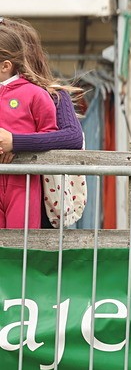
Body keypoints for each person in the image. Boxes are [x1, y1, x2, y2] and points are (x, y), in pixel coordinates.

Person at [0, 19, 86, 227]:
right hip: (13, 186)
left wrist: (16, 142)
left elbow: (72, 137)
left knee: (33, 253)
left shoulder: (53, 94)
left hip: (45, 198)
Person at [0, 17, 60, 229]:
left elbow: (50, 134)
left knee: (21, 243)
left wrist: (17, 143)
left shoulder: (36, 94)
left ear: (6, 66)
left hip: (24, 181)